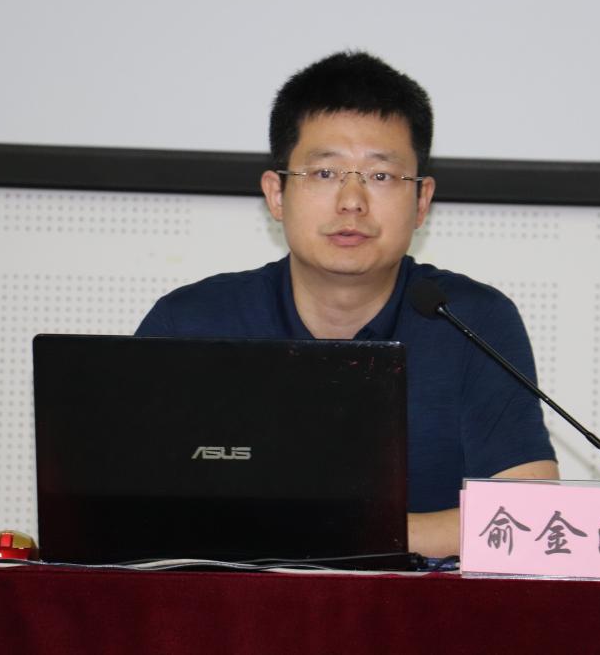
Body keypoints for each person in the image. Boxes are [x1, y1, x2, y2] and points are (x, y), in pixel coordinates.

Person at [136, 51, 558, 557]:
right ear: (276, 194)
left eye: (381, 176)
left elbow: (532, 515)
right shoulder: (191, 323)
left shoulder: (471, 322)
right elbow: (123, 509)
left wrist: (335, 536)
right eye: (324, 173)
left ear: (422, 200)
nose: (352, 201)